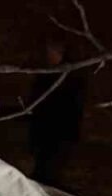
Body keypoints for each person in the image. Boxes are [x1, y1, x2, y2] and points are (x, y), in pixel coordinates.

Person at [26, 40, 88, 187]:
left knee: (52, 170)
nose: (49, 56)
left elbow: (73, 107)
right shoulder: (45, 74)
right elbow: (36, 100)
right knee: (42, 168)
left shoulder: (70, 77)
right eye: (48, 52)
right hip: (43, 130)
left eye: (52, 52)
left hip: (59, 132)